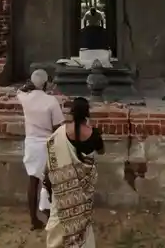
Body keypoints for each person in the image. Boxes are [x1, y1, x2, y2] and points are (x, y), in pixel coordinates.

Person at [43, 97, 105, 248]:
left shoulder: (60, 133)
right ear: (87, 113)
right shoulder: (94, 133)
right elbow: (101, 151)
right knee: (82, 215)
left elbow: (51, 152)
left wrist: (47, 180)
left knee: (60, 214)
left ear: (71, 113)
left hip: (63, 187)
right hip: (85, 185)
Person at [17, 69, 65, 231]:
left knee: (33, 182)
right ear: (46, 83)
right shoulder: (51, 101)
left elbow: (20, 90)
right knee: (50, 183)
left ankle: (33, 220)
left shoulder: (24, 98)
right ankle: (50, 216)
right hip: (47, 143)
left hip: (31, 142)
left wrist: (31, 84)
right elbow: (58, 126)